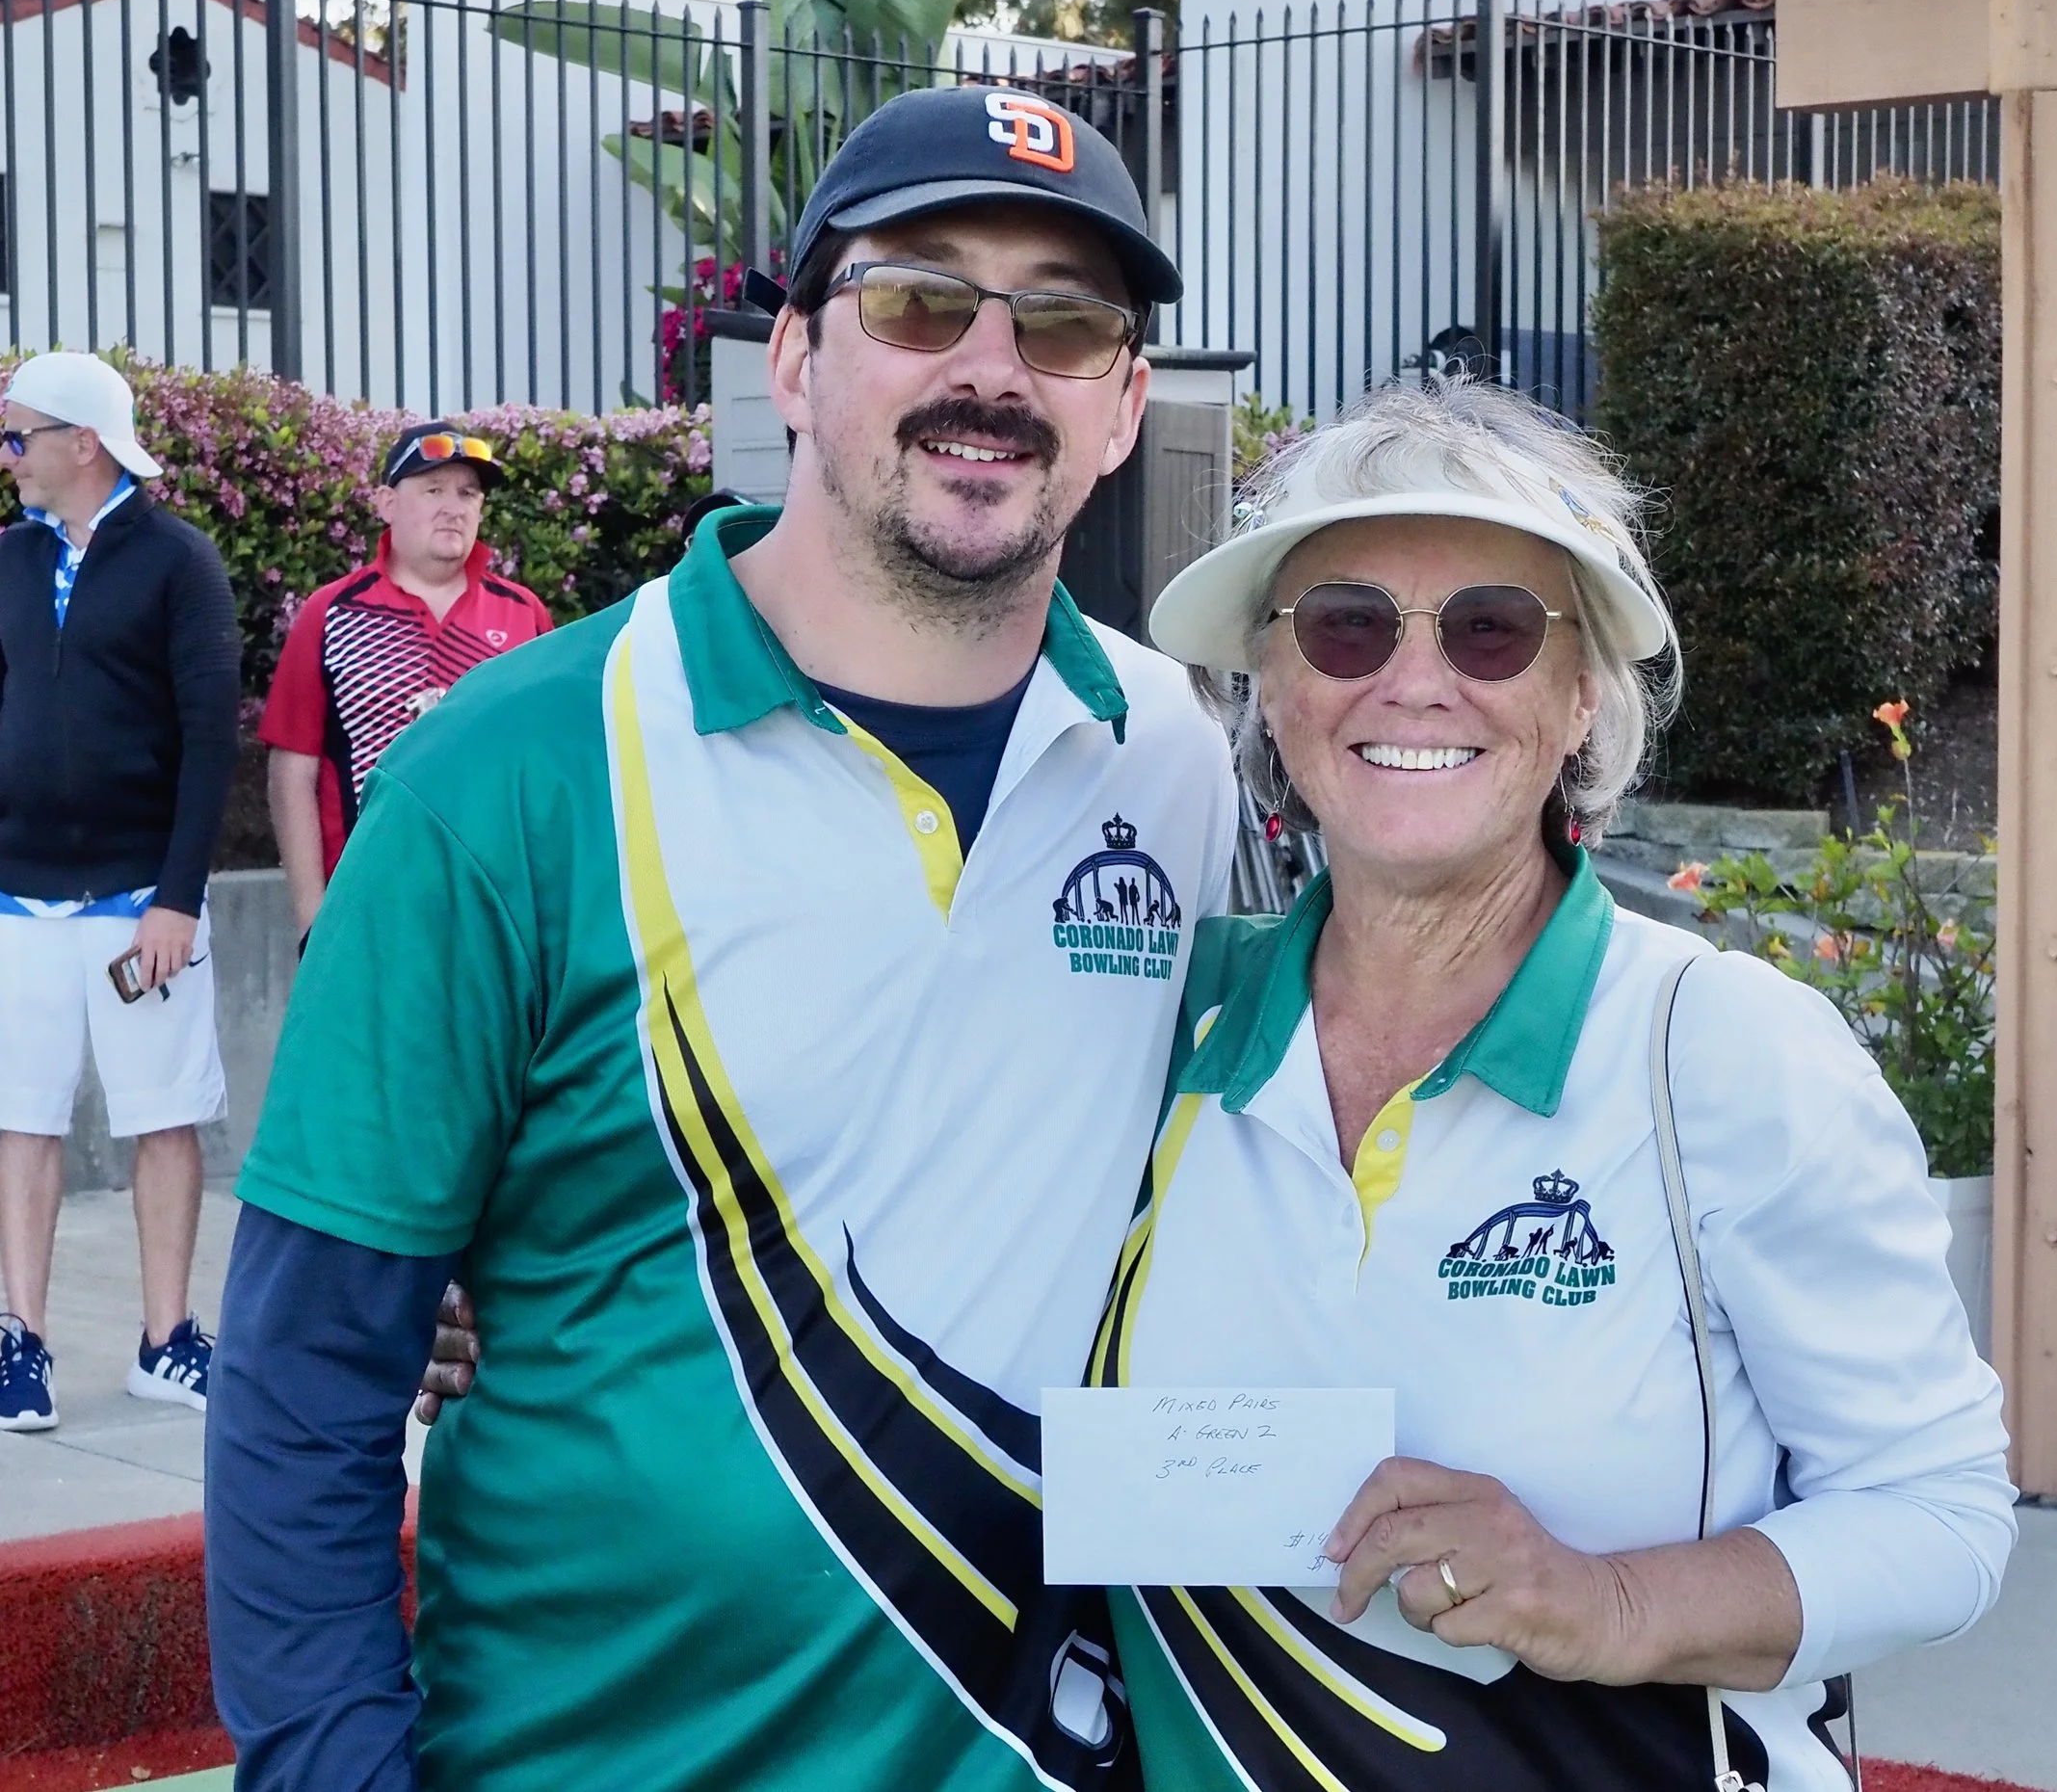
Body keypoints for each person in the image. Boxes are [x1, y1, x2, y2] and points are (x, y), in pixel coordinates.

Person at [204, 86, 1235, 1791]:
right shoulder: (513, 764)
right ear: (796, 363)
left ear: (1124, 405)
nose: (991, 367)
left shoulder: (1173, 752)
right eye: (919, 299)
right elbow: (307, 1368)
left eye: (1063, 322)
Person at [1085, 379, 2017, 1790]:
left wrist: (1607, 1600)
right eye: (1345, 623)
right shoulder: (1154, 1026)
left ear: (1581, 694)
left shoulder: (1717, 1049)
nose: (1414, 680)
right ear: (1271, 688)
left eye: (1492, 627)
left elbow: (1943, 1516)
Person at [0, 352, 238, 1434]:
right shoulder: (7, 561)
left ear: (80, 442)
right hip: (19, 901)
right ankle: (22, 1342)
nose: (8, 456)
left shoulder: (181, 563)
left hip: (142, 899)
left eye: (18, 438)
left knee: (166, 1117)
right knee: (22, 1119)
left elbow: (206, 743)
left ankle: (165, 1340)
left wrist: (177, 898)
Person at [259, 424, 550, 939]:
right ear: (387, 504)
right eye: (433, 489)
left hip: (496, 914)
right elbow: (291, 772)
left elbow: (550, 768)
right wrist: (312, 916)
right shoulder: (331, 614)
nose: (453, 507)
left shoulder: (524, 615)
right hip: (365, 906)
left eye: (467, 493)